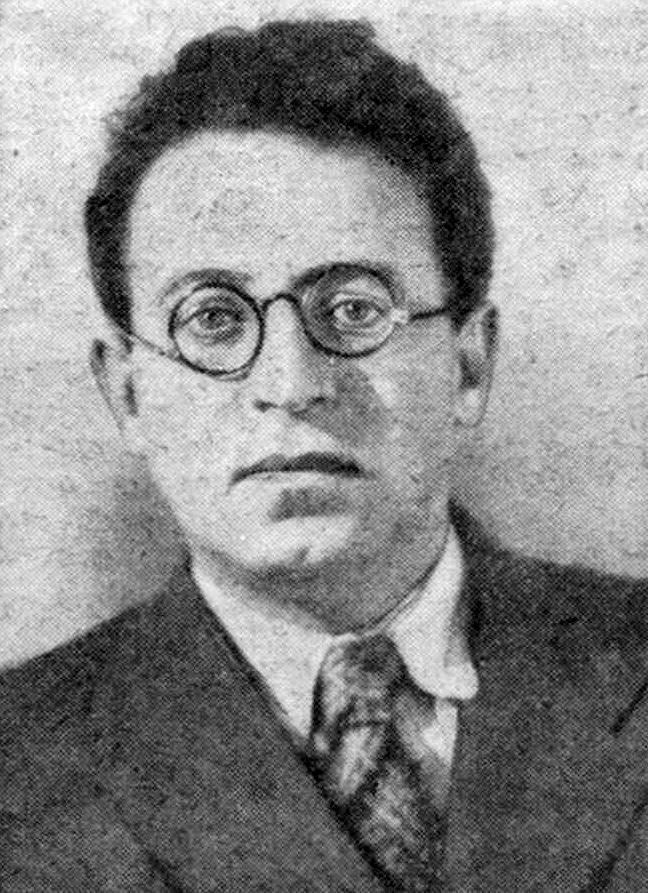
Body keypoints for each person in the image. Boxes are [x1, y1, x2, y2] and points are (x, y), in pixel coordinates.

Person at [1, 19, 646, 893]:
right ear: (128, 393)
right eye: (213, 318)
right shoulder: (19, 763)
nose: (292, 383)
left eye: (353, 309)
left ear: (468, 366)